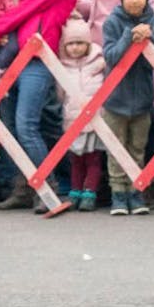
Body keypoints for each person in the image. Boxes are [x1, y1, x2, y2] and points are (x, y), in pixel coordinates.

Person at [0, 0, 81, 213]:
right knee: (13, 124)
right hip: (19, 49)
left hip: (40, 53)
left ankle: (47, 188)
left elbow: (35, 2)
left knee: (27, 124)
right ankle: (24, 186)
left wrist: (0, 25)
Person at [100, 0, 154, 215]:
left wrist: (150, 38)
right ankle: (118, 193)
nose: (135, 0)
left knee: (138, 148)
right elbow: (111, 57)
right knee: (116, 149)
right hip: (116, 100)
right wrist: (129, 36)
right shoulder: (112, 22)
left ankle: (136, 191)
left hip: (143, 100)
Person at [52, 17, 106, 211]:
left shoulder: (99, 62)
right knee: (75, 159)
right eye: (71, 44)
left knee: (93, 158)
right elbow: (60, 93)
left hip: (95, 119)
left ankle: (90, 191)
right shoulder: (62, 66)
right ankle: (75, 190)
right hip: (72, 119)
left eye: (80, 43)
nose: (75, 48)